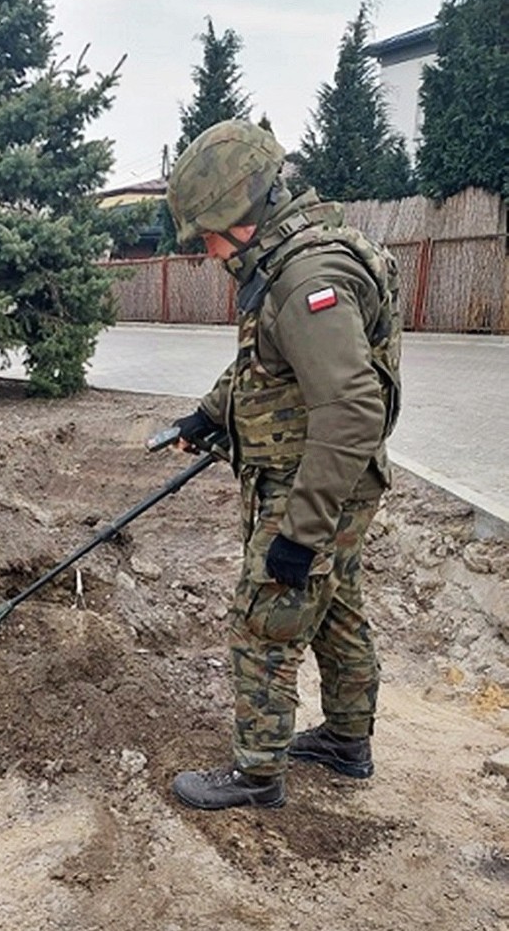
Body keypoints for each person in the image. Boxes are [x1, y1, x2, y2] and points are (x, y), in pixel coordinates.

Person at [166, 119, 401, 811]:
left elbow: (352, 407)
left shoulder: (307, 279)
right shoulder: (290, 260)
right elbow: (270, 367)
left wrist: (299, 533)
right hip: (337, 483)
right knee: (336, 611)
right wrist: (211, 414)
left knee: (265, 620)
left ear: (252, 207)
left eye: (211, 230)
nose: (207, 249)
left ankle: (256, 774)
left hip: (313, 486)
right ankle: (347, 743)